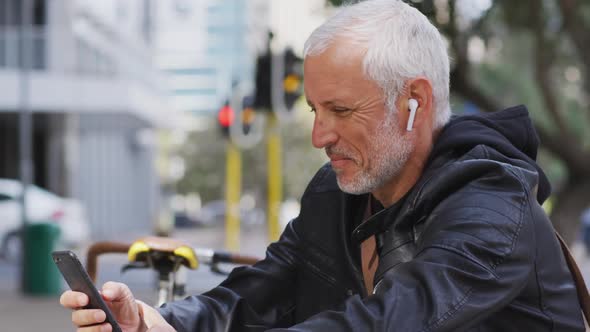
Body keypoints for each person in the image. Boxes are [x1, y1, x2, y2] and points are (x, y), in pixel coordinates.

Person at [59, 0, 585, 331]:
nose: (318, 136)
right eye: (314, 110)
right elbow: (265, 290)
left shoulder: (492, 205)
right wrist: (154, 322)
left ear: (415, 102)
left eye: (341, 110)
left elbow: (390, 322)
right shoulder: (338, 190)